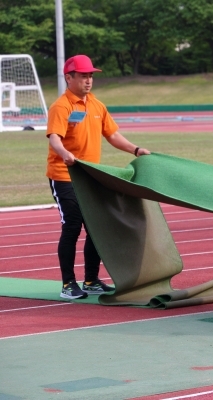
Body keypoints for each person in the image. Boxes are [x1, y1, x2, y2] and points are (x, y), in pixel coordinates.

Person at [46, 55, 151, 300]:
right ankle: (68, 284)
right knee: (72, 226)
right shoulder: (61, 106)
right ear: (69, 77)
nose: (88, 80)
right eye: (83, 76)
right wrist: (64, 153)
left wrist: (136, 150)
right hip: (64, 175)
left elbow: (112, 135)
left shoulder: (96, 105)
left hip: (90, 176)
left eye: (90, 76)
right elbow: (54, 138)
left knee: (96, 227)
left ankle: (91, 280)